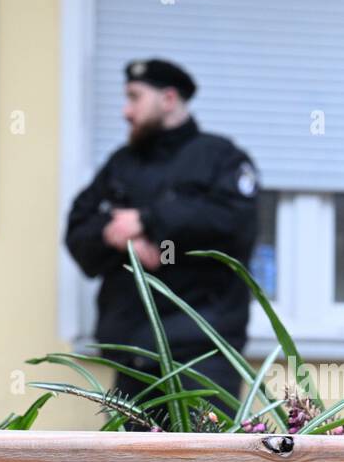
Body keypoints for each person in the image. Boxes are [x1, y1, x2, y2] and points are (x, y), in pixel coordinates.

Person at [65, 58, 259, 409]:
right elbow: (78, 228)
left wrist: (149, 220)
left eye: (134, 97)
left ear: (168, 99)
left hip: (201, 354)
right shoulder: (122, 164)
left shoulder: (221, 158)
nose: (126, 111)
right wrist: (119, 235)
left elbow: (233, 221)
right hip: (131, 355)